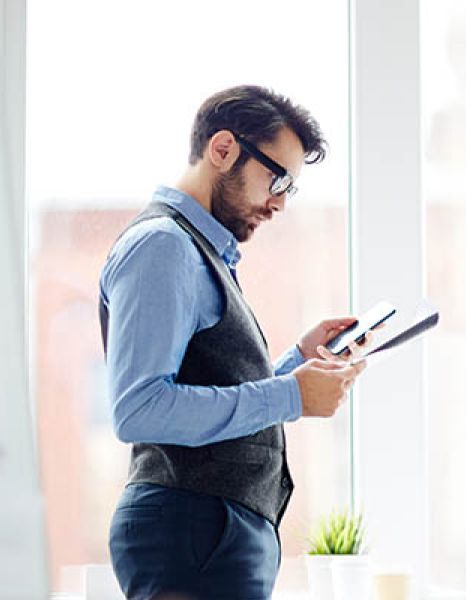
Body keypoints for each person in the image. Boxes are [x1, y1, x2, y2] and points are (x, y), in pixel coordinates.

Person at [99, 85, 366, 600]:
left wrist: (296, 366)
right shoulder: (164, 246)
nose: (280, 203)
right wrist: (290, 396)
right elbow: (140, 408)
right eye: (277, 178)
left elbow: (208, 381)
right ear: (223, 149)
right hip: (193, 534)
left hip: (207, 535)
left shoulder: (195, 250)